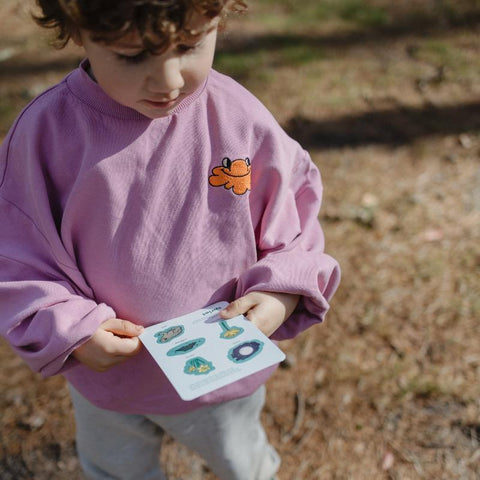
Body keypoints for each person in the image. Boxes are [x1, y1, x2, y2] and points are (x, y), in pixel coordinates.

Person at [0, 0, 340, 478]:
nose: (169, 81)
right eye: (133, 56)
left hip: (223, 378)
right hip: (111, 386)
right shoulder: (45, 136)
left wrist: (280, 289)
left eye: (190, 45)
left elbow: (292, 216)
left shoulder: (238, 116)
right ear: (78, 29)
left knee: (244, 465)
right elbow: (15, 254)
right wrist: (68, 328)